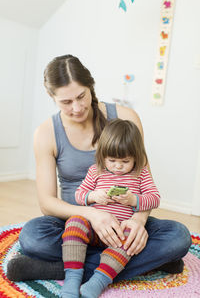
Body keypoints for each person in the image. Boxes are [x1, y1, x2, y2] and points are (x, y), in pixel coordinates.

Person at [7, 54, 191, 284]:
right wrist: (93, 214)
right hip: (76, 223)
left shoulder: (125, 118)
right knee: (33, 237)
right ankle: (148, 261)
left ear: (90, 86)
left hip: (124, 222)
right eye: (66, 102)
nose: (77, 108)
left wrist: (139, 221)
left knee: (179, 237)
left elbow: (146, 184)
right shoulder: (45, 133)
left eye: (81, 96)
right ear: (51, 97)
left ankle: (59, 269)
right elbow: (47, 203)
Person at [61, 118, 161, 298]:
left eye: (125, 161)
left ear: (136, 157)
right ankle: (72, 278)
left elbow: (155, 199)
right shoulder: (95, 171)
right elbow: (78, 195)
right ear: (102, 156)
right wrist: (93, 196)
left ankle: (98, 281)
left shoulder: (141, 172)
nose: (118, 166)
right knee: (74, 221)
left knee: (132, 236)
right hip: (93, 230)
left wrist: (133, 199)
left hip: (119, 234)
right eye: (112, 160)